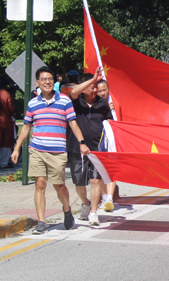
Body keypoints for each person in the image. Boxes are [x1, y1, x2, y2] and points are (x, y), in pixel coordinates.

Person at [10, 66, 90, 235]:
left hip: (58, 151)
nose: (47, 82)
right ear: (37, 83)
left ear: (54, 82)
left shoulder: (64, 101)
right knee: (40, 184)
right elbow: (26, 127)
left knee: (59, 185)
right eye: (43, 79)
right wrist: (17, 148)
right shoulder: (32, 104)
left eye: (50, 79)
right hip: (37, 148)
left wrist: (82, 143)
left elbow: (73, 123)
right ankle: (41, 221)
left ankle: (67, 209)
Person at [68, 69, 113, 226]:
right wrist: (93, 78)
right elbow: (74, 91)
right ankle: (85, 203)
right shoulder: (76, 101)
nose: (95, 90)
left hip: (96, 150)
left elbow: (110, 125)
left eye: (96, 87)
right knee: (79, 182)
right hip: (77, 148)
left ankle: (93, 212)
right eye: (92, 87)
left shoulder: (103, 103)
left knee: (95, 180)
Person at [96, 79, 118, 209]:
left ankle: (109, 198)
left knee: (112, 168)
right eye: (99, 91)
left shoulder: (115, 103)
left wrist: (112, 111)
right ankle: (104, 197)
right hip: (99, 141)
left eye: (104, 90)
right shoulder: (94, 105)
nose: (102, 93)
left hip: (113, 141)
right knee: (100, 169)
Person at [0, 78, 15, 168]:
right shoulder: (6, 94)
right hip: (6, 121)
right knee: (6, 142)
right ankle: (4, 163)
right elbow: (11, 109)